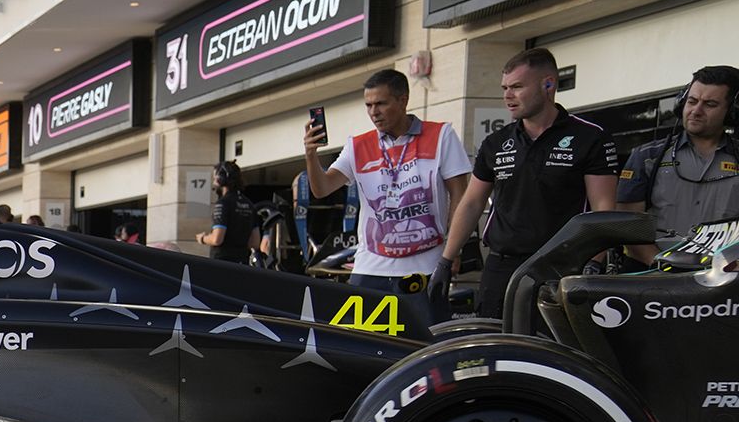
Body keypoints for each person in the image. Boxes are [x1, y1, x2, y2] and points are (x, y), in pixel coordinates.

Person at [443, 48, 620, 318]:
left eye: (517, 86)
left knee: (552, 355)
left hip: (561, 266)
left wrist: (595, 262)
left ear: (548, 84)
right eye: (504, 87)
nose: (507, 96)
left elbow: (603, 209)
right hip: (502, 267)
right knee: (495, 353)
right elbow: (471, 203)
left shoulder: (589, 137)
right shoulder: (496, 142)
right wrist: (446, 260)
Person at [300, 69, 472, 328]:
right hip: (370, 267)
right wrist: (311, 155)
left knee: (422, 347)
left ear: (403, 100)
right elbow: (322, 189)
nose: (373, 112)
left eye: (381, 103)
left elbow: (460, 195)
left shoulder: (441, 135)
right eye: (368, 105)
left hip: (425, 265)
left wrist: (452, 250)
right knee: (361, 347)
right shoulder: (358, 145)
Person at [618, 65, 739, 264]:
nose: (696, 111)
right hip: (653, 280)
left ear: (732, 111)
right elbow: (626, 226)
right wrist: (661, 265)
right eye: (692, 101)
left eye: (710, 104)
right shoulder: (646, 157)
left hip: (724, 281)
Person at [195, 161, 260, 264]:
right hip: (242, 263)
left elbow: (217, 239)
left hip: (222, 264)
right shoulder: (249, 204)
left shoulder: (223, 203)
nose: (213, 182)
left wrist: (202, 238)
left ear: (221, 179)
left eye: (214, 178)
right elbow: (255, 243)